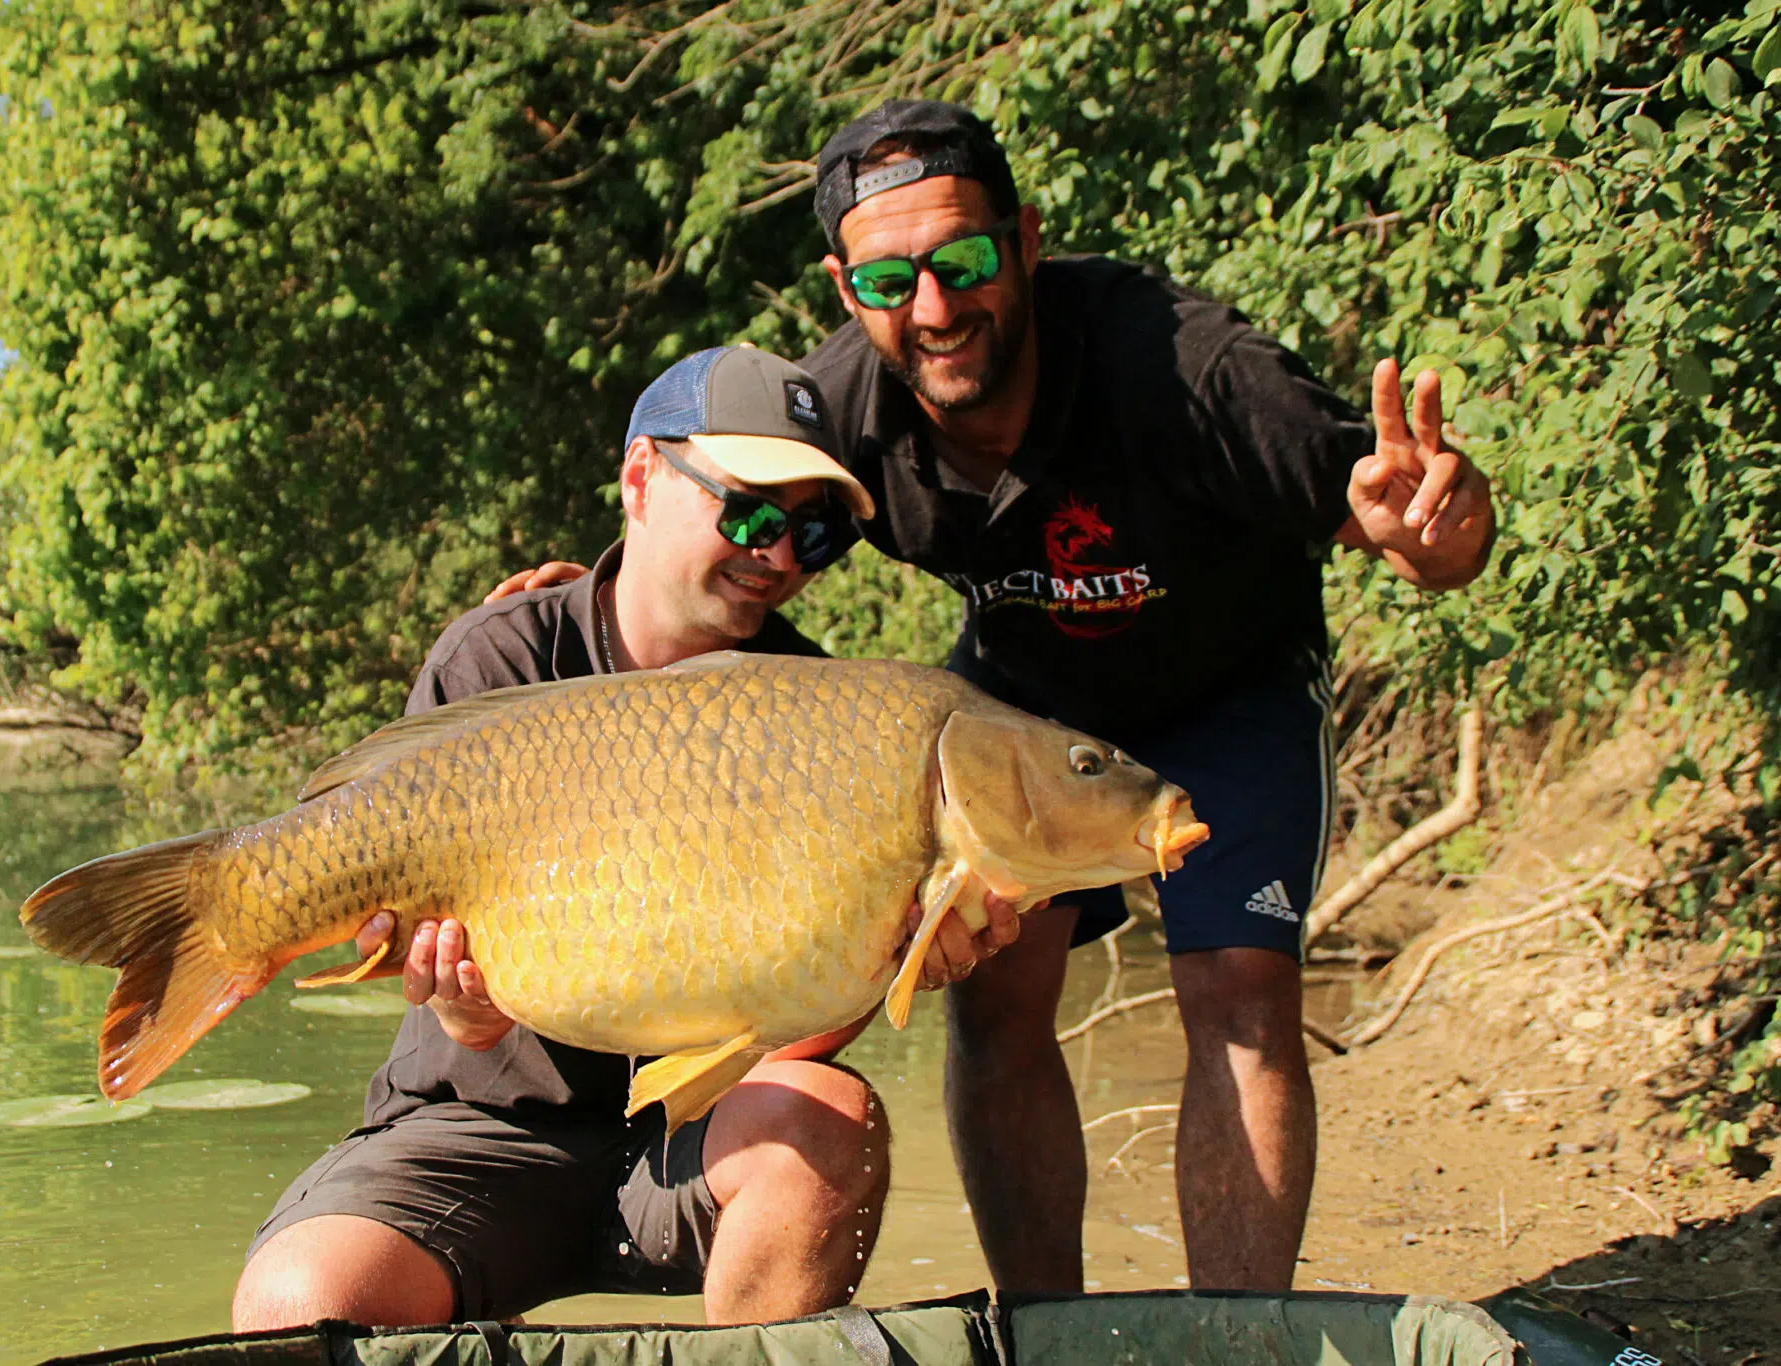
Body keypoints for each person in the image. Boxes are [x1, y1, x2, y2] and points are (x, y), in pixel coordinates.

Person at [486, 102, 1494, 1296]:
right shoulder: (855, 402)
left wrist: (1437, 536)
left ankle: (1237, 1329)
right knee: (991, 989)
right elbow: (714, 497)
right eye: (887, 278)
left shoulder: (1186, 369)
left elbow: (1405, 520)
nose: (932, 308)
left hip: (1229, 690)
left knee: (1235, 987)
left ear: (1021, 242)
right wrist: (606, 571)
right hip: (1022, 698)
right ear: (844, 286)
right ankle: (1042, 1324)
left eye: (960, 262)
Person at [231, 345, 988, 1332]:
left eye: (814, 534)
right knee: (296, 1306)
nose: (779, 556)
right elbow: (423, 962)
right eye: (752, 513)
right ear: (639, 476)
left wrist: (887, 965)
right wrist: (464, 1010)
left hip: (689, 1142)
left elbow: (783, 1038)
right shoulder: (501, 651)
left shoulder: (827, 714)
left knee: (830, 1124)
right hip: (482, 1129)